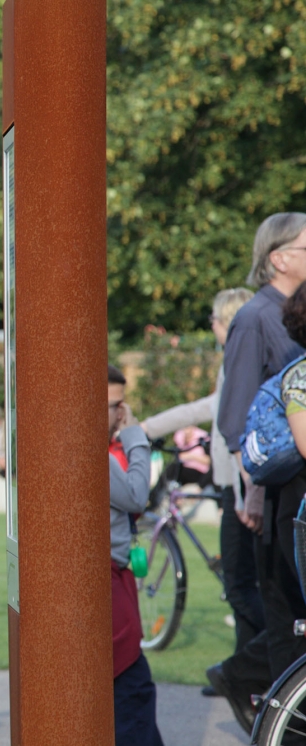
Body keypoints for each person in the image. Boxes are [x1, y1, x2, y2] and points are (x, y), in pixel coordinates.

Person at [208, 212, 306, 735]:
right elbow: (236, 414)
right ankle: (269, 705)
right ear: (280, 258)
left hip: (291, 482)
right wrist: (248, 492)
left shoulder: (283, 311)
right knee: (283, 608)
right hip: (275, 488)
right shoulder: (255, 318)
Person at [142, 288, 262, 688]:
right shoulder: (240, 358)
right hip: (238, 485)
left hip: (240, 487)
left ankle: (248, 672)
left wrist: (143, 429)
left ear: (227, 320)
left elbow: (220, 412)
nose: (211, 325)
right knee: (243, 585)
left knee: (242, 586)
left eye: (213, 318)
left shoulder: (239, 360)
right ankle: (245, 672)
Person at [107, 364, 165, 746]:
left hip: (114, 575)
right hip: (109, 582)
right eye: (114, 405)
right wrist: (135, 436)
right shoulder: (89, 452)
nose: (120, 413)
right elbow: (136, 495)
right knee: (133, 689)